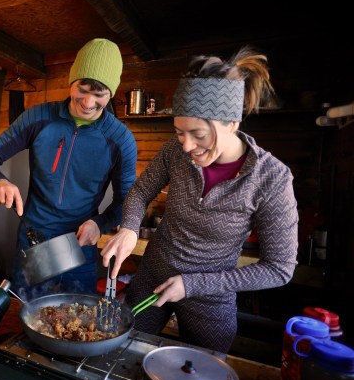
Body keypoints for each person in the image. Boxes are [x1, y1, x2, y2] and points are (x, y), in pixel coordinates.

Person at [101, 46, 299, 353]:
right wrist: (128, 227)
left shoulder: (271, 178)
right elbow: (141, 191)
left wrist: (193, 285)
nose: (187, 145)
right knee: (122, 350)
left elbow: (279, 268)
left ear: (232, 123)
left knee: (204, 370)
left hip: (210, 295)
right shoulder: (174, 151)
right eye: (180, 132)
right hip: (153, 274)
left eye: (198, 134)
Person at [0, 38, 137, 300]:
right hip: (35, 240)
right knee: (23, 319)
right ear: (71, 81)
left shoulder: (120, 139)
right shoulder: (39, 118)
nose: (88, 102)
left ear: (112, 93)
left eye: (100, 95)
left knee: (74, 325)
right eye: (82, 89)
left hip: (79, 244)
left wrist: (100, 223)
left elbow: (127, 201)